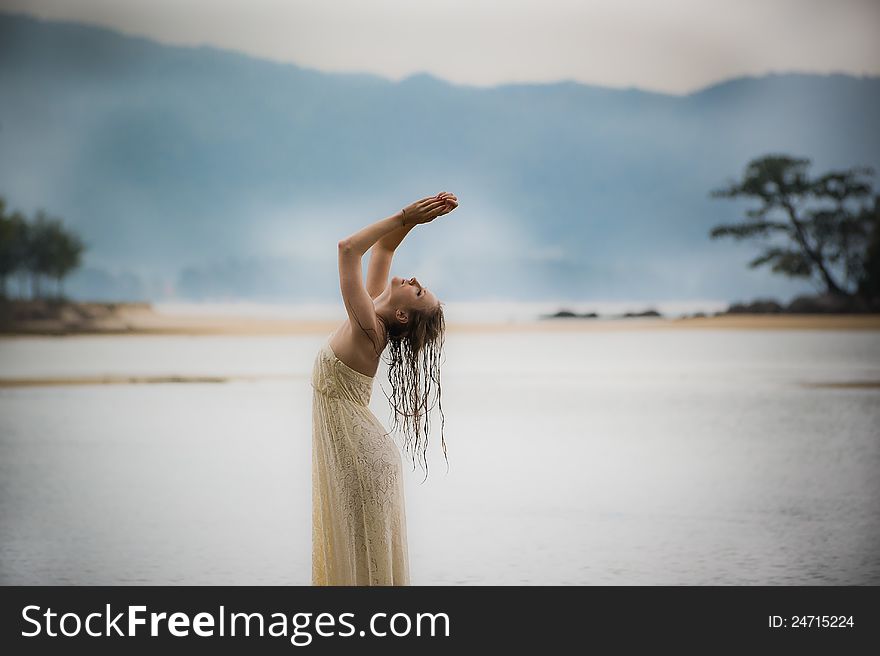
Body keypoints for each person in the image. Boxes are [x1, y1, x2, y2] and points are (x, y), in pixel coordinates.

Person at [310, 191, 458, 586]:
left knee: (366, 562)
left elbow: (347, 250)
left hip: (361, 460)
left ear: (402, 313)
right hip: (363, 455)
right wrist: (419, 218)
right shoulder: (375, 310)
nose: (416, 281)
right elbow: (383, 247)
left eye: (419, 291)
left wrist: (403, 214)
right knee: (365, 559)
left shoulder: (369, 329)